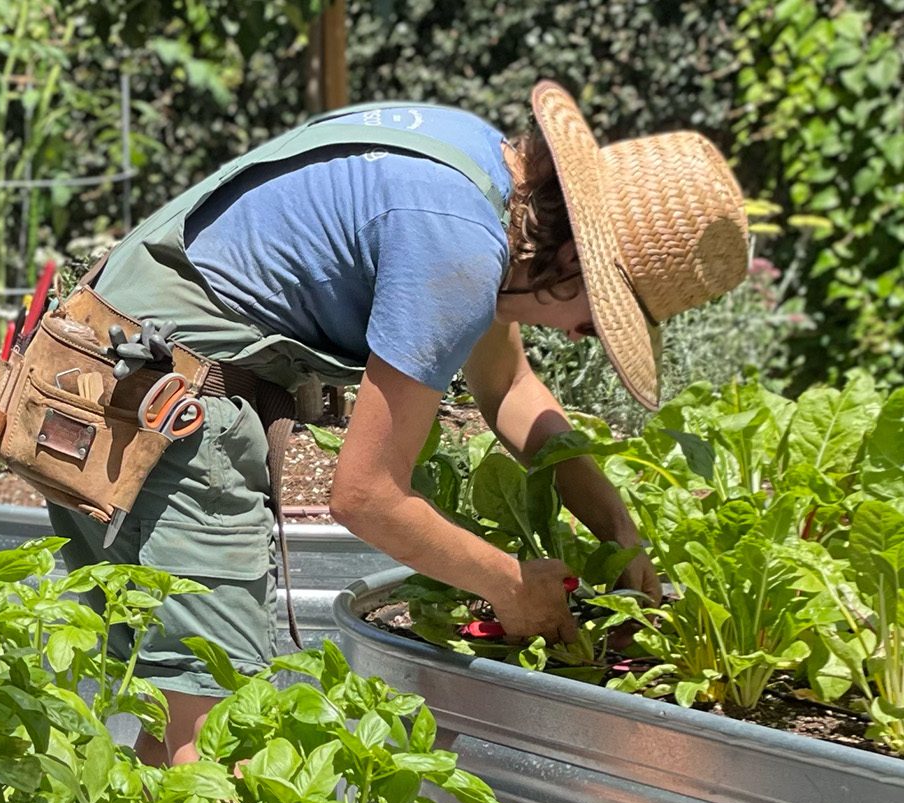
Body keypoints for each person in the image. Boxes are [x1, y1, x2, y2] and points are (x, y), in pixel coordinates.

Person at [42, 82, 751, 766]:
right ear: (572, 261)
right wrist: (510, 585)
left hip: (97, 380)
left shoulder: (473, 165)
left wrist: (618, 532)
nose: (574, 339)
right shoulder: (460, 245)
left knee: (178, 731)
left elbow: (506, 385)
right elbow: (367, 495)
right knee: (218, 748)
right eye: (595, 324)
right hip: (170, 412)